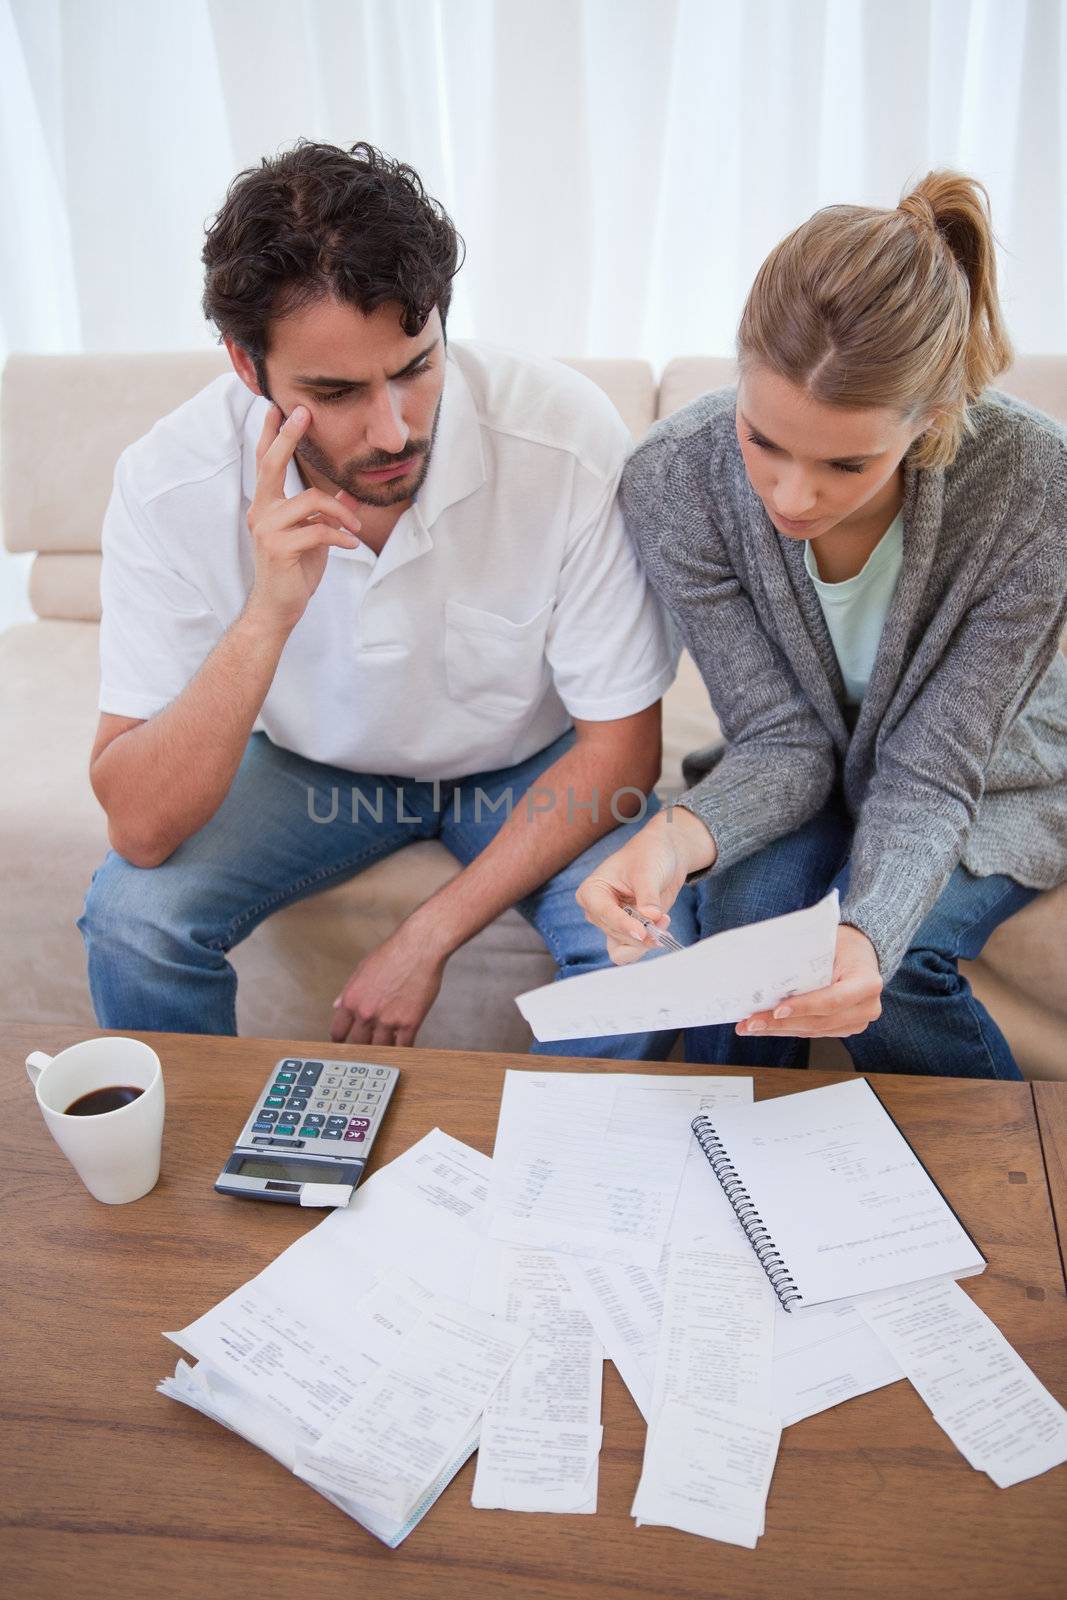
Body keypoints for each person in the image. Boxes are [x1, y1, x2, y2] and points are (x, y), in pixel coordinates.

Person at [78, 139, 693, 1055]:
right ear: (248, 370)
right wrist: (268, 616)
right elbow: (138, 825)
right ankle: (203, 1186)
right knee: (134, 921)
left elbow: (621, 747)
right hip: (306, 768)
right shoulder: (170, 481)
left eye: (414, 367)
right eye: (333, 391)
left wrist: (426, 934)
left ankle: (562, 1193)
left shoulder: (562, 438)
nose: (392, 429)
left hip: (527, 764)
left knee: (643, 960)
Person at [577, 171, 1067, 1079]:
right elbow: (780, 739)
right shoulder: (674, 480)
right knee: (737, 946)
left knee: (887, 977)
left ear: (932, 418)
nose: (791, 497)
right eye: (763, 441)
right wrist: (672, 838)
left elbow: (932, 772)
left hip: (988, 784)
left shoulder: (1034, 487)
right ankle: (727, 1187)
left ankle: (1010, 1203)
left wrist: (869, 932)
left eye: (847, 463)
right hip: (799, 775)